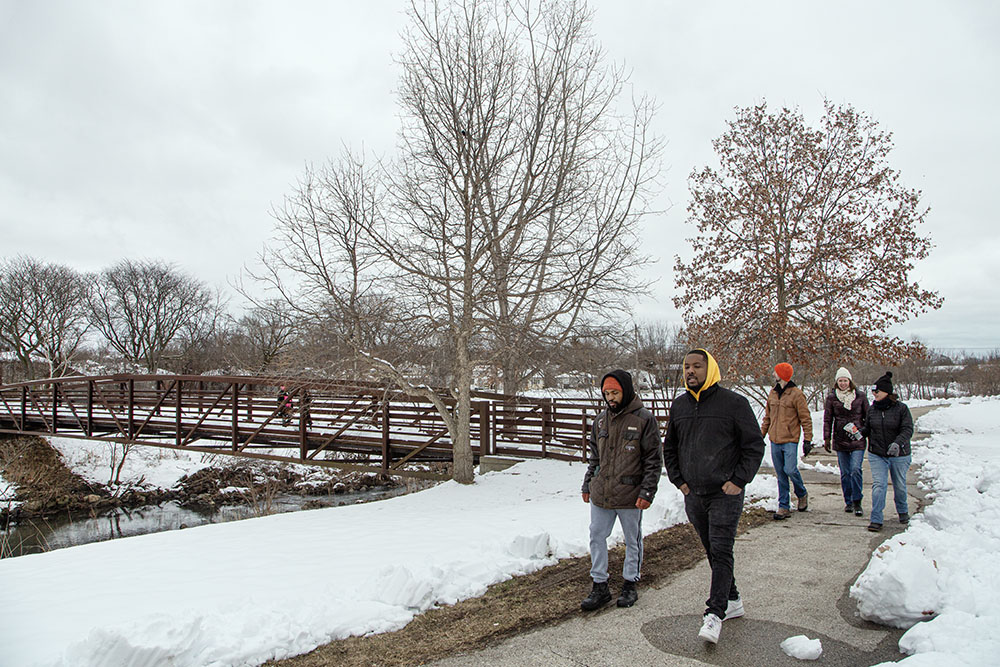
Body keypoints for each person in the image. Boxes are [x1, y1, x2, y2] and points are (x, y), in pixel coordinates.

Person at [663, 349, 765, 645]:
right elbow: (670, 448)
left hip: (724, 494)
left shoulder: (734, 403)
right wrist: (680, 481)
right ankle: (732, 599)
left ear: (711, 370)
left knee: (721, 550)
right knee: (711, 549)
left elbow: (753, 446)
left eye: (697, 366)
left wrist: (738, 480)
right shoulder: (680, 405)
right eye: (686, 367)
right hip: (694, 494)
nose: (690, 371)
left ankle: (715, 613)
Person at [580, 369, 662, 611]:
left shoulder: (644, 419)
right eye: (606, 393)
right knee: (596, 536)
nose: (610, 398)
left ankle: (629, 583)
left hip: (631, 494)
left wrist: (647, 492)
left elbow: (653, 460)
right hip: (601, 492)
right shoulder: (600, 421)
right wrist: (587, 484)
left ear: (625, 391)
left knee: (632, 539)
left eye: (614, 392)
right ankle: (599, 584)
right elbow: (594, 458)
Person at [761, 362, 813, 520]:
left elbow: (806, 418)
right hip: (775, 440)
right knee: (781, 474)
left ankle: (801, 493)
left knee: (790, 469)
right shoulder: (773, 393)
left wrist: (808, 439)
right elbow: (767, 418)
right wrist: (760, 436)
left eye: (776, 372)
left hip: (790, 439)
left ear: (782, 375)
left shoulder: (796, 394)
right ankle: (783, 506)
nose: (773, 374)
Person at [863, 371, 913, 532]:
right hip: (877, 453)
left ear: (887, 392)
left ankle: (903, 511)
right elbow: (868, 428)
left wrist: (898, 443)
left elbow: (907, 429)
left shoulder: (901, 409)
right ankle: (876, 518)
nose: (875, 394)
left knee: (899, 484)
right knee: (879, 485)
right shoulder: (872, 409)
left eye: (877, 391)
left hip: (899, 455)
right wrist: (858, 432)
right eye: (873, 391)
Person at [823, 367, 869, 516]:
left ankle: (857, 501)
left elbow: (868, 417)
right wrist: (827, 438)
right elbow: (828, 419)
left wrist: (865, 432)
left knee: (855, 469)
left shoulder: (860, 396)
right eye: (840, 381)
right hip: (840, 438)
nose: (843, 383)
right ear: (837, 382)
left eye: (845, 380)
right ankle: (848, 501)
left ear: (850, 381)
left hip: (857, 438)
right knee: (845, 473)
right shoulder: (832, 398)